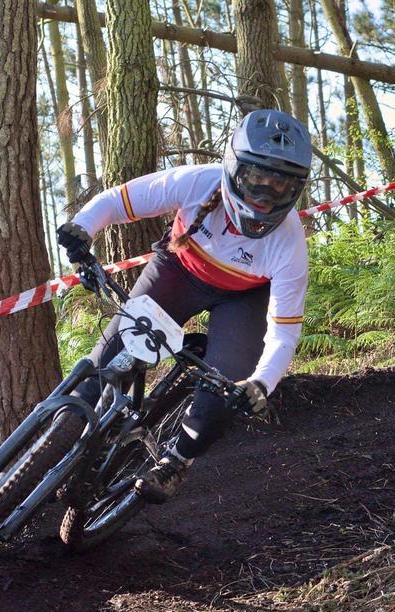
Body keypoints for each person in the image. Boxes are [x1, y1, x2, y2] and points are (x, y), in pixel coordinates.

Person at [55, 109, 312, 504]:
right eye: (257, 180)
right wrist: (83, 227)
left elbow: (284, 329)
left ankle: (176, 460)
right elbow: (119, 202)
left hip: (242, 299)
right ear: (232, 167)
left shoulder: (290, 243)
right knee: (100, 369)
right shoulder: (197, 181)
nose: (264, 198)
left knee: (226, 387)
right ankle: (46, 450)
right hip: (178, 268)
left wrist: (261, 383)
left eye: (281, 187)